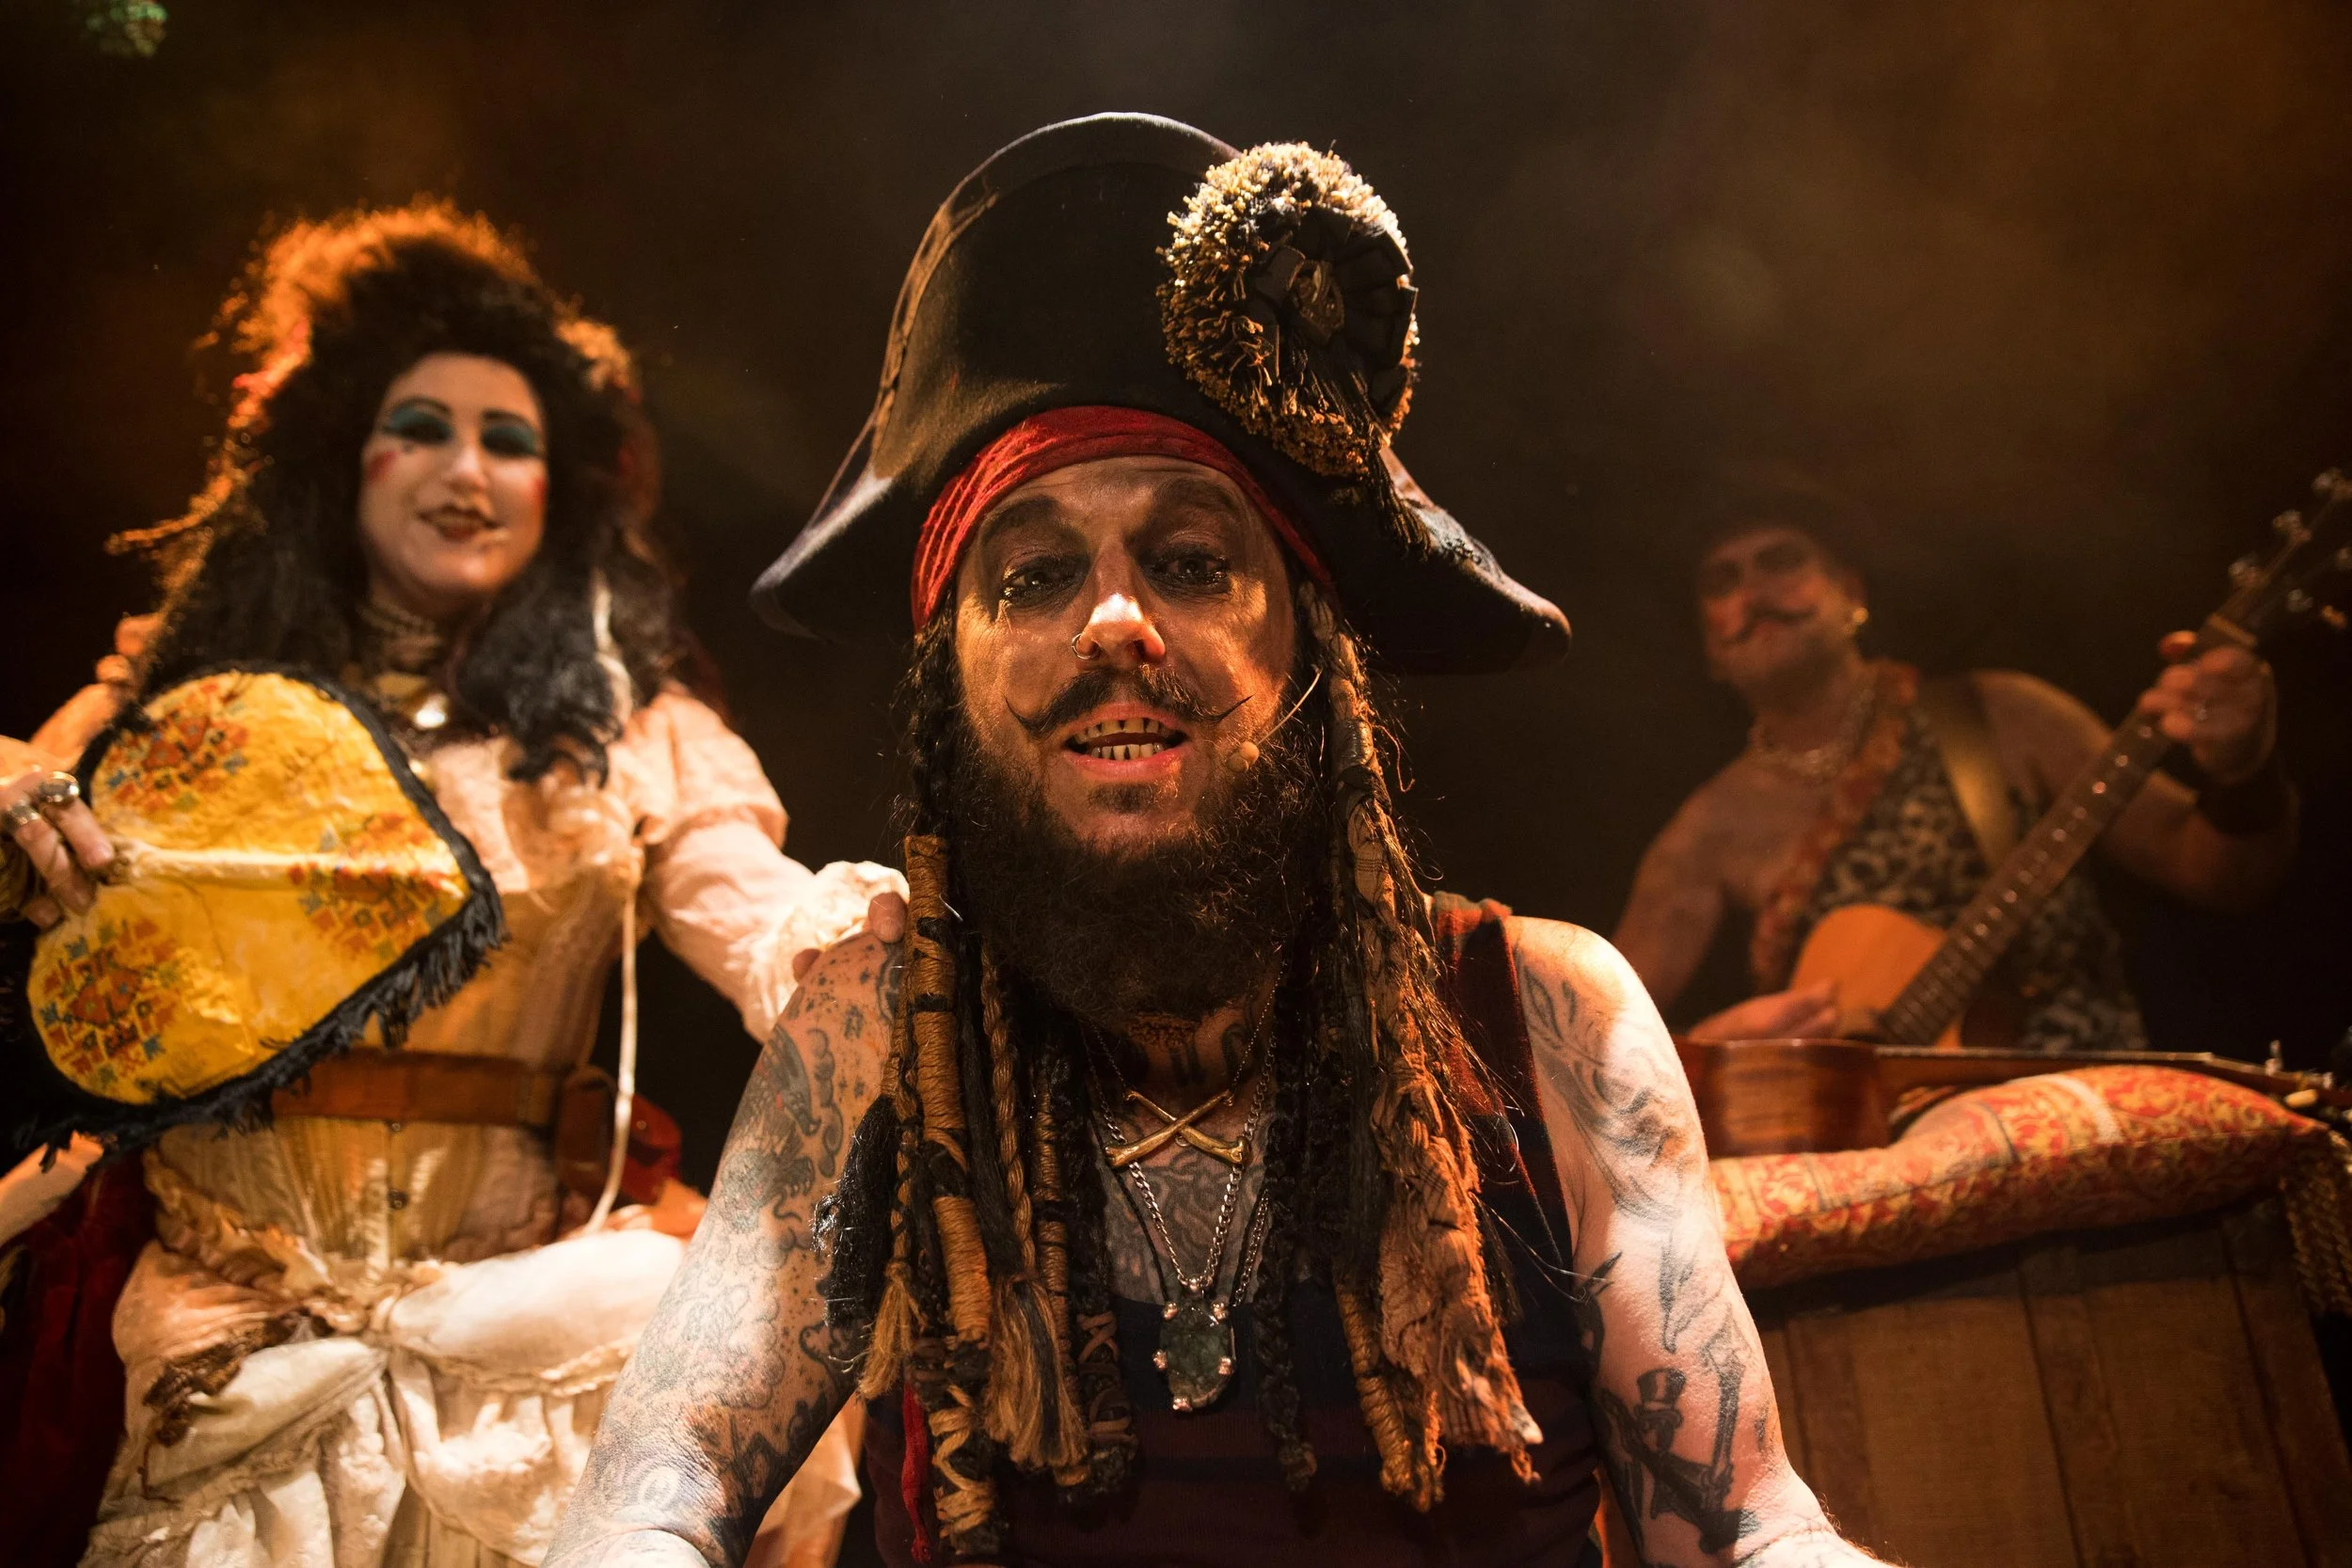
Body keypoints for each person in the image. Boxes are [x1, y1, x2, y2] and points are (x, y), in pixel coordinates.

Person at [547, 113, 1888, 1568]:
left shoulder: (1547, 1017)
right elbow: (659, 1487)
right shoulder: (875, 1035)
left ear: (1311, 650)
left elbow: (1746, 1521)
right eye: (1035, 574)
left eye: (1189, 561)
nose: (1115, 620)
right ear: (952, 684)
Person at [0, 202, 901, 1568]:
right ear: (338, 456)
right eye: (420, 427)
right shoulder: (182, 718)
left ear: (559, 490)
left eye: (509, 439)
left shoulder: (624, 731)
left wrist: (852, 946)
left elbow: (747, 900)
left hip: (532, 1367)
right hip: (227, 1353)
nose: (466, 469)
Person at [1613, 471, 2296, 1051]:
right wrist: (1714, 1049)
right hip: (1871, 1151)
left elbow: (2222, 875)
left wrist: (2244, 770)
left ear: (1852, 593)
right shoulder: (1705, 832)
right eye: (1722, 580)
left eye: (1781, 560)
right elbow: (1600, 1039)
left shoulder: (2003, 713)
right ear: (1711, 648)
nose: (1753, 591)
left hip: (2082, 1102)